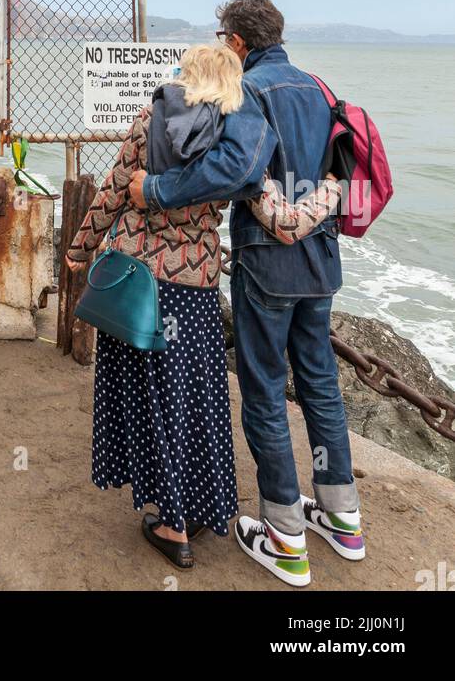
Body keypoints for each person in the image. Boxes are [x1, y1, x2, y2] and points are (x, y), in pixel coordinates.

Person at [66, 43, 338, 570]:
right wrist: (332, 190)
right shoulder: (236, 140)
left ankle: (169, 522)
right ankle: (189, 511)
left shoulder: (152, 119)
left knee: (148, 399)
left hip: (139, 286)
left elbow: (113, 193)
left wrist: (79, 252)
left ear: (187, 75)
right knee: (191, 402)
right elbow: (279, 220)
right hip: (195, 289)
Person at [130, 0, 363, 587]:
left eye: (221, 33)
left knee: (262, 391)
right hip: (323, 258)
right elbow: (344, 164)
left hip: (269, 263)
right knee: (319, 385)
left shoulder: (249, 90)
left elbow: (234, 167)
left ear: (235, 42)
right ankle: (342, 517)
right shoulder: (317, 86)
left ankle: (284, 534)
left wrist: (156, 190)